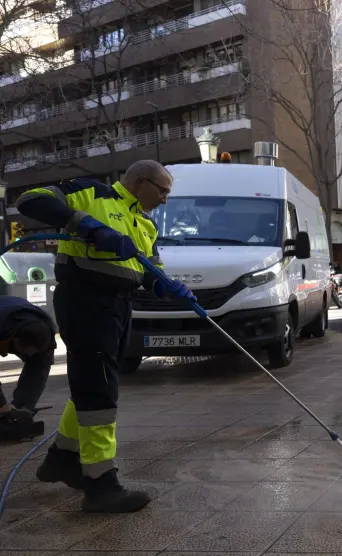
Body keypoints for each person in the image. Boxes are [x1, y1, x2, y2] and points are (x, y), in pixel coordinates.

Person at [16, 160, 196, 513]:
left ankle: (61, 458)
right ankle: (101, 485)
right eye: (162, 191)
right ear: (141, 181)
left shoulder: (145, 223)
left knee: (94, 382)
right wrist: (89, 226)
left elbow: (148, 268)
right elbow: (30, 200)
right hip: (85, 300)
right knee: (99, 389)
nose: (164, 200)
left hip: (119, 305)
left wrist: (165, 284)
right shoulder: (91, 193)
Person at [0, 296, 57, 441]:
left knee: (38, 363)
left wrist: (21, 408)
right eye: (23, 351)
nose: (28, 355)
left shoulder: (46, 336)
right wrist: (1, 404)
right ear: (13, 339)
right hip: (5, 320)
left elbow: (38, 372)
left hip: (17, 322)